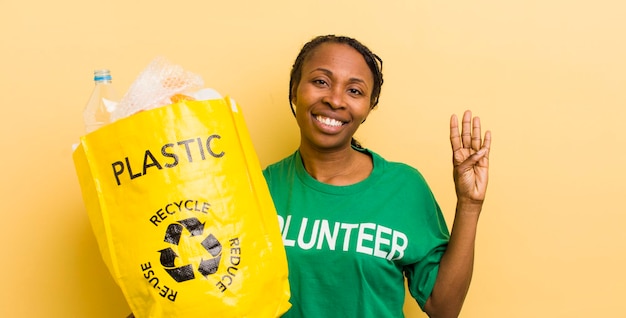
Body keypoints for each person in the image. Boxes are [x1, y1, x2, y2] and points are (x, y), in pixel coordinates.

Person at [262, 34, 491, 317]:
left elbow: (444, 308)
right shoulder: (260, 188)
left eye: (355, 91)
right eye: (320, 81)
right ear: (295, 89)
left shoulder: (403, 187)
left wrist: (470, 204)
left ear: (370, 106)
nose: (335, 100)